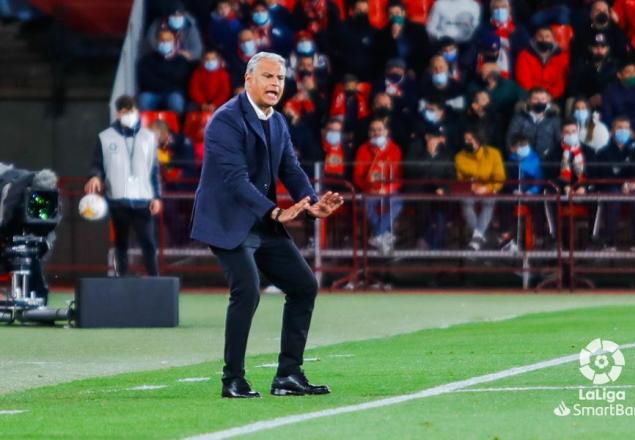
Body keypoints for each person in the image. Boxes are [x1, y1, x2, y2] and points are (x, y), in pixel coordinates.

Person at [190, 52, 343, 399]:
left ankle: (289, 375)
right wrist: (275, 212)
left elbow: (290, 167)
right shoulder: (224, 120)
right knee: (246, 287)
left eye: (280, 79)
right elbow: (234, 179)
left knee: (304, 286)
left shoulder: (277, 121)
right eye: (268, 77)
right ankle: (233, 379)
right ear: (248, 79)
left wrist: (312, 201)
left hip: (262, 220)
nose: (275, 84)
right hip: (229, 220)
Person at [84, 95, 162, 276]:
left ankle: (156, 281)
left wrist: (157, 196)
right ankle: (122, 281)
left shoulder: (148, 137)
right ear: (118, 113)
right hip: (117, 199)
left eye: (133, 111)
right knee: (120, 244)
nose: (130, 115)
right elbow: (97, 164)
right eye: (126, 111)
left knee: (148, 243)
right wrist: (95, 176)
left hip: (143, 200)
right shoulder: (105, 137)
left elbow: (154, 170)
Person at [594, 116, 635, 250]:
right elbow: (604, 174)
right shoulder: (603, 153)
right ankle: (609, 240)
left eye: (626, 128)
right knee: (613, 197)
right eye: (619, 128)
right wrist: (620, 185)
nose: (623, 131)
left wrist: (632, 183)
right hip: (611, 186)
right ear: (612, 131)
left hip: (632, 186)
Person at [353, 118, 403, 254]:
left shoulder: (395, 149)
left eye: (379, 129)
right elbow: (358, 176)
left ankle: (377, 234)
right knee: (366, 203)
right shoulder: (363, 149)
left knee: (397, 203)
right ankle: (384, 235)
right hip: (370, 190)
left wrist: (386, 189)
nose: (376, 133)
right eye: (373, 130)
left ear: (386, 131)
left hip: (389, 190)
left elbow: (399, 175)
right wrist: (370, 188)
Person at [455, 127, 506, 250]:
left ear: (478, 140)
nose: (466, 142)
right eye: (465, 139)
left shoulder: (493, 153)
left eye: (470, 139)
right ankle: (480, 236)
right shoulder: (460, 156)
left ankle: (477, 238)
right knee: (466, 202)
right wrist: (471, 184)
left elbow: (499, 176)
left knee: (489, 202)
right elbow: (460, 178)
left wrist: (487, 187)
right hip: (470, 187)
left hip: (488, 186)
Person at [137, 29, 191, 116]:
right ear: (157, 41)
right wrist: (169, 80)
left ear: (174, 42)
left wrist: (161, 79)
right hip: (153, 93)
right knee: (144, 99)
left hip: (173, 93)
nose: (165, 42)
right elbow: (146, 81)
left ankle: (176, 128)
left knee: (176, 101)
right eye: (162, 40)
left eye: (168, 40)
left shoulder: (181, 60)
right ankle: (146, 127)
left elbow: (181, 79)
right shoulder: (147, 59)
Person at [601, 59, 635, 135]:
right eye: (628, 72)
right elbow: (607, 117)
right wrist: (618, 131)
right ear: (619, 75)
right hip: (617, 130)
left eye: (634, 72)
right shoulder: (610, 91)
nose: (633, 75)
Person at [514, 25, 570, 99]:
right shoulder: (524, 55)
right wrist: (537, 96)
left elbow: (561, 83)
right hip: (529, 96)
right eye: (540, 36)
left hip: (553, 97)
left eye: (547, 36)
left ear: (553, 38)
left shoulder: (562, 57)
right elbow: (523, 80)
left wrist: (549, 95)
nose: (544, 39)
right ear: (535, 38)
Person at [506, 87, 561, 160]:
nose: (539, 102)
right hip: (523, 159)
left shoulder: (555, 119)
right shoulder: (519, 118)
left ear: (547, 101)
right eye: (535, 99)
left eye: (543, 99)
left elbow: (559, 141)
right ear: (529, 100)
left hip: (547, 160)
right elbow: (511, 138)